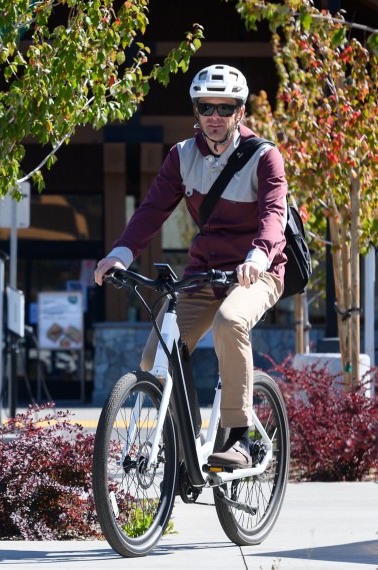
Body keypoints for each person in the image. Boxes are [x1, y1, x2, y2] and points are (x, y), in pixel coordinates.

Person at [93, 64, 288, 469]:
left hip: (259, 270)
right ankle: (190, 437)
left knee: (231, 321)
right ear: (195, 112)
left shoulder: (265, 158)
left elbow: (274, 214)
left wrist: (257, 256)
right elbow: (151, 211)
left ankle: (239, 437)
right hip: (206, 270)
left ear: (241, 111)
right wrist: (121, 254)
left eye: (225, 107)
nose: (214, 116)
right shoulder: (181, 157)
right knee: (155, 357)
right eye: (205, 107)